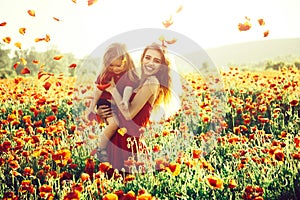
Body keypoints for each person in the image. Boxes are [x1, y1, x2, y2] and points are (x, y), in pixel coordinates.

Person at [98, 42, 172, 171]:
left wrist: (112, 90)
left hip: (129, 147)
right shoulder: (138, 81)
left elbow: (128, 115)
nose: (150, 63)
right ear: (142, 58)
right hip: (117, 141)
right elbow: (119, 108)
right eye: (147, 57)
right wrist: (101, 111)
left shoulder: (152, 82)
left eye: (156, 61)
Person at [88, 43, 139, 162]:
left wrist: (125, 101)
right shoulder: (105, 74)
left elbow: (128, 88)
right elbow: (97, 91)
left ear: (124, 61)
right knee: (114, 123)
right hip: (105, 102)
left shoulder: (128, 75)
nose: (115, 69)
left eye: (118, 65)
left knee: (118, 124)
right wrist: (91, 108)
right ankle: (101, 148)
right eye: (111, 65)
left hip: (119, 103)